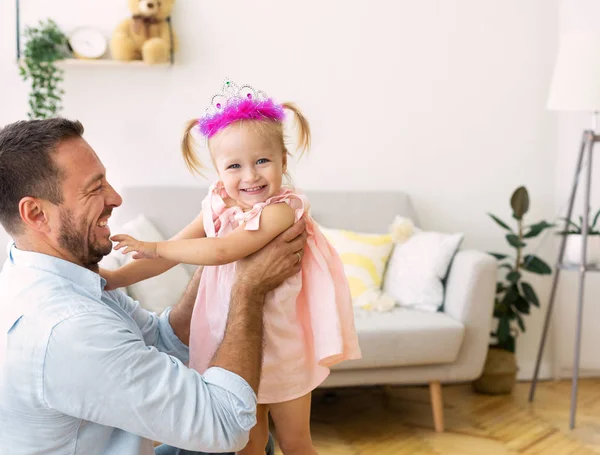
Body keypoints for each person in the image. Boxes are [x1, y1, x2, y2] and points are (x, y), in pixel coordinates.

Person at [0, 118, 307, 455]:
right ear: (36, 214)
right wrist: (248, 287)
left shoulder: (52, 277)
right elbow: (227, 426)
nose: (115, 198)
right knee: (242, 435)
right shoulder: (69, 328)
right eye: (94, 187)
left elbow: (162, 340)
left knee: (257, 439)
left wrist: (226, 260)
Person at [103, 79, 362, 455]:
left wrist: (156, 244)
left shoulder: (281, 210)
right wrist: (113, 278)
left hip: (282, 348)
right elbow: (171, 254)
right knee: (246, 443)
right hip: (236, 349)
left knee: (295, 441)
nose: (251, 176)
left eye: (262, 161)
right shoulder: (217, 205)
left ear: (283, 162)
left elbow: (224, 250)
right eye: (234, 166)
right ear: (219, 173)